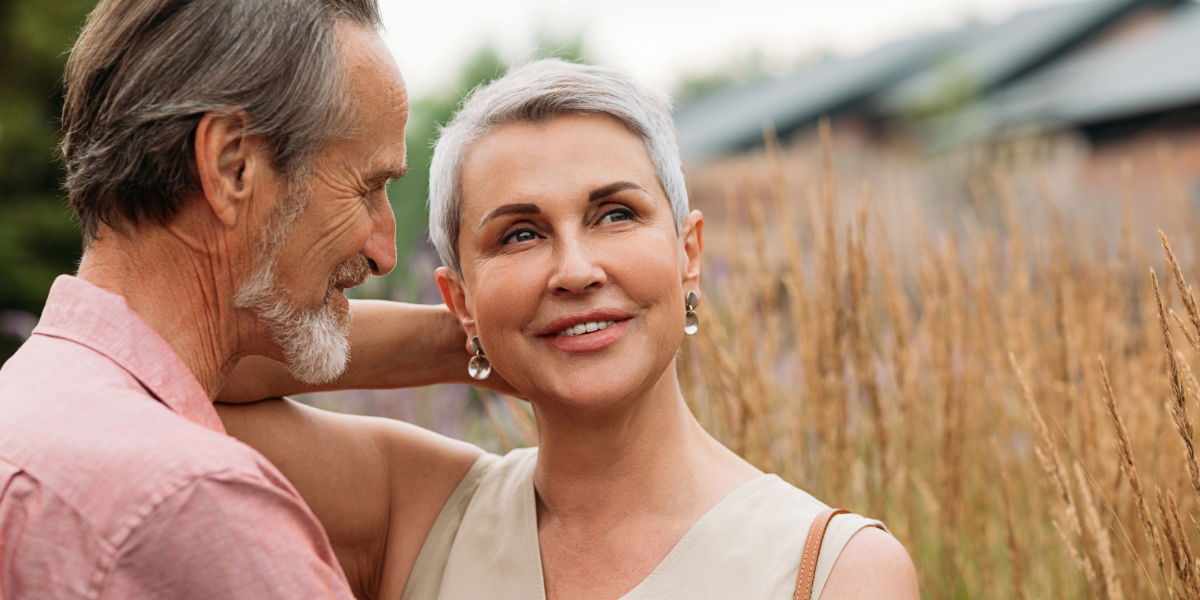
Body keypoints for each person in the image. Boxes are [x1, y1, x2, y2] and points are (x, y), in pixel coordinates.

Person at [217, 59, 919, 599]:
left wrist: (516, 333)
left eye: (615, 215)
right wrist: (469, 342)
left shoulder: (833, 570)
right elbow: (185, 361)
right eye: (520, 235)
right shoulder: (414, 510)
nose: (575, 270)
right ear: (458, 295)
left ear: (688, 254)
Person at [0, 1, 484, 597]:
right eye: (367, 186)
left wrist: (468, 342)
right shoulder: (200, 505)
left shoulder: (28, 415)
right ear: (232, 166)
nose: (386, 250)